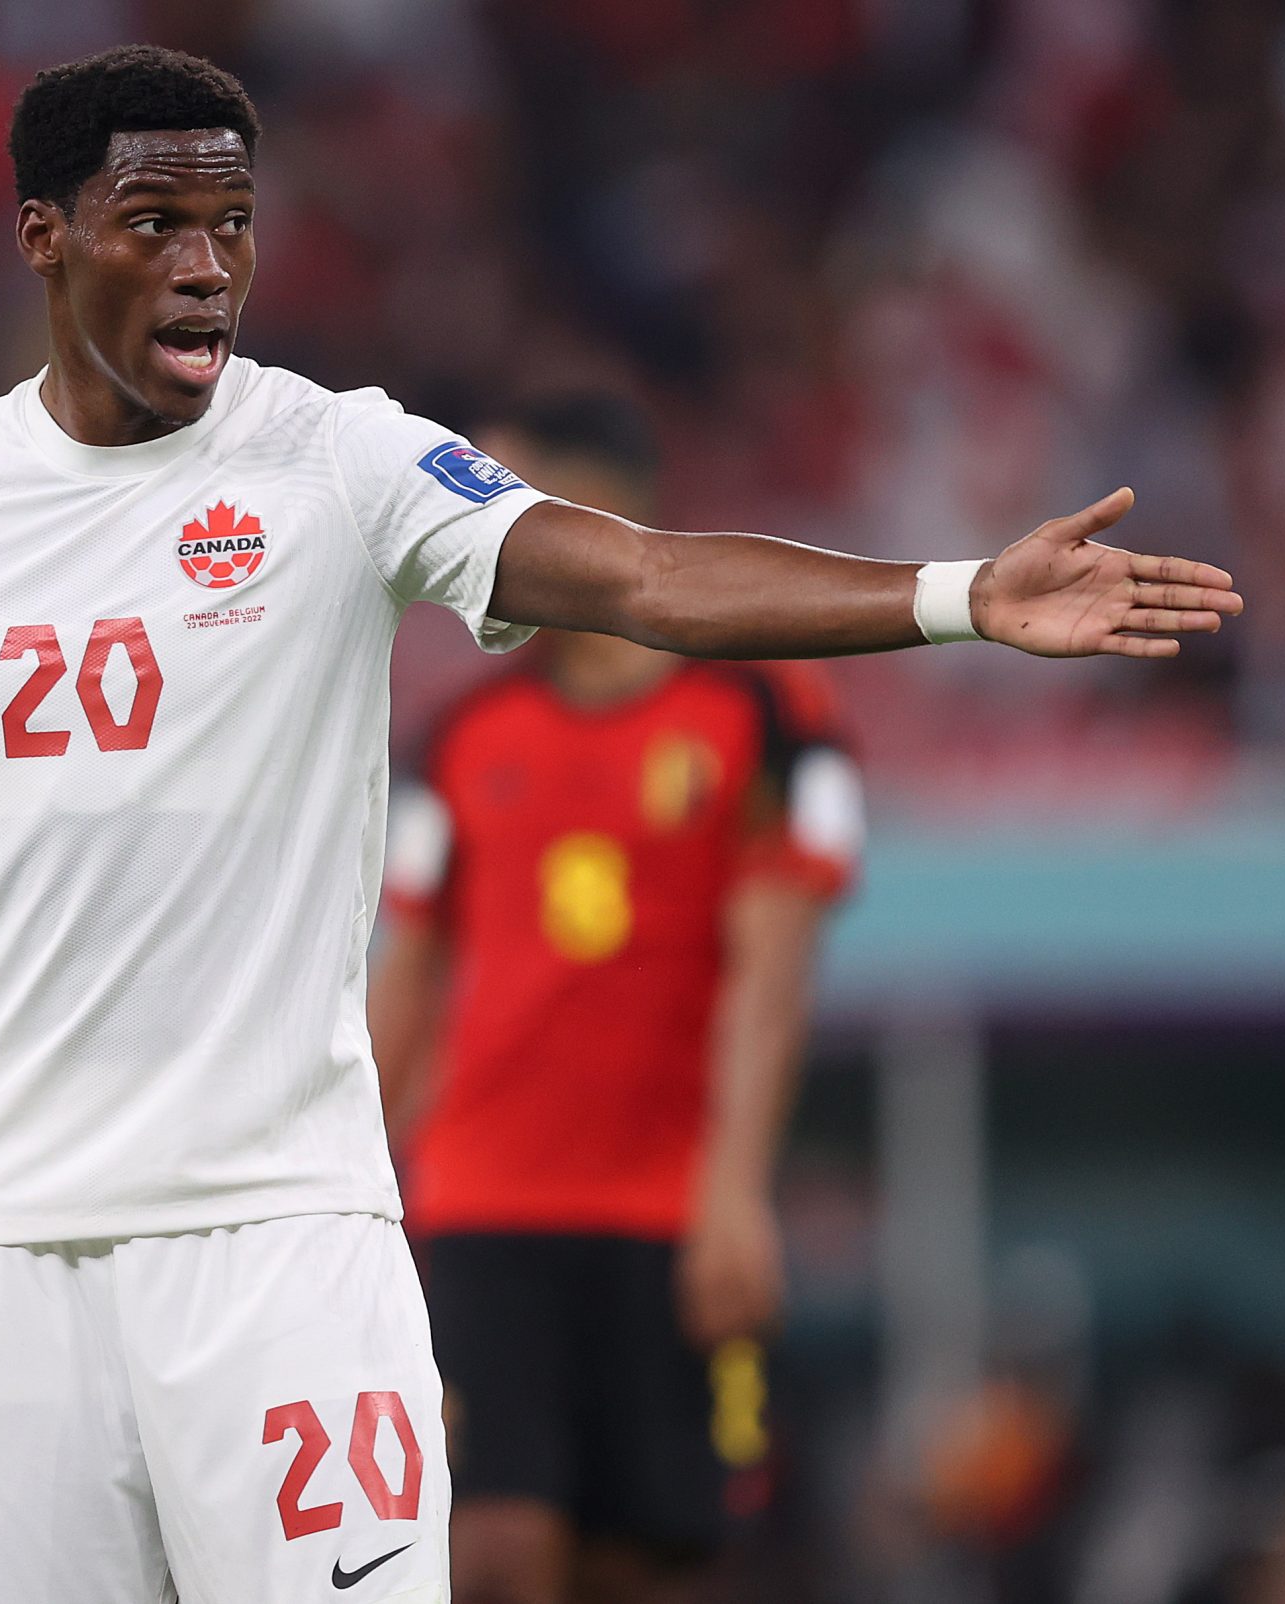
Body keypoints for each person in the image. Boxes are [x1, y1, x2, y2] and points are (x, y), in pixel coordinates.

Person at [0, 44, 1241, 1604]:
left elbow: (648, 574)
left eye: (234, 225)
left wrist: (951, 594)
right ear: (43, 238)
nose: (209, 265)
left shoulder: (339, 460)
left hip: (279, 1250)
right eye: (158, 223)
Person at [370, 393, 859, 1604]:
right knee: (492, 1551)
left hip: (664, 1211)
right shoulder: (461, 736)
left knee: (646, 1565)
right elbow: (407, 978)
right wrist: (354, 1202)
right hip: (480, 1203)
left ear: (596, 510)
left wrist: (736, 1191)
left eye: (503, 497)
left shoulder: (763, 713)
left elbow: (773, 967)